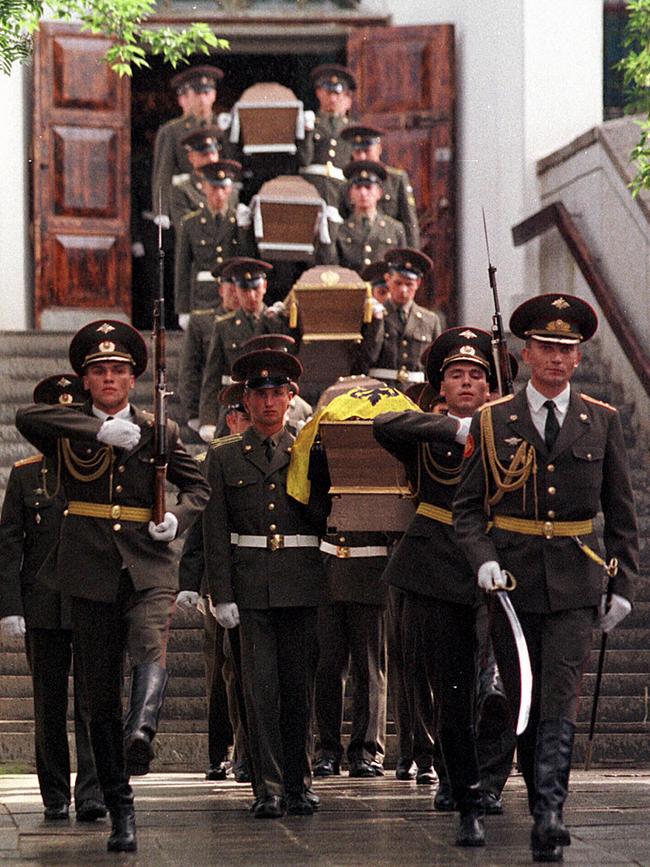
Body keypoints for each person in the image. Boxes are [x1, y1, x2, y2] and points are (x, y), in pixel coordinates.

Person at [453, 294, 639, 862]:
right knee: (523, 699)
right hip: (511, 584)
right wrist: (481, 556)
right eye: (547, 347)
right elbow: (466, 509)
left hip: (577, 584)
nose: (557, 358)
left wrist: (624, 586)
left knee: (560, 693)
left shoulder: (600, 422)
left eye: (568, 349)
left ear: (579, 358)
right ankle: (541, 803)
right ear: (525, 353)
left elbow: (622, 515)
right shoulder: (493, 420)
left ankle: (551, 811)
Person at [15, 321, 210, 853]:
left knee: (151, 644)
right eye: (99, 371)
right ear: (85, 378)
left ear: (133, 378)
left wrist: (179, 520)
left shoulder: (159, 429)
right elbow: (25, 414)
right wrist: (94, 431)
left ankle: (143, 730)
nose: (109, 379)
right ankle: (120, 809)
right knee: (98, 696)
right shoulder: (67, 425)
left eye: (119, 371)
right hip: (88, 567)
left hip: (148, 566)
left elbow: (198, 487)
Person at [373, 326, 509, 847]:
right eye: (457, 375)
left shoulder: (509, 429)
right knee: (449, 687)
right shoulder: (430, 431)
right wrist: (450, 428)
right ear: (442, 386)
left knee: (496, 685)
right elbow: (385, 424)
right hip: (436, 565)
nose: (469, 382)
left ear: (491, 385)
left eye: (478, 375)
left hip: (497, 563)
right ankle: (456, 779)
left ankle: (490, 783)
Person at [203, 348, 329, 818]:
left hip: (300, 583)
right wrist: (223, 594)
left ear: (292, 397)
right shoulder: (223, 457)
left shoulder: (310, 449)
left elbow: (324, 518)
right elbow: (214, 532)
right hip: (251, 586)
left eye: (278, 393)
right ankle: (268, 787)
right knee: (259, 690)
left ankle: (299, 783)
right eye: (260, 395)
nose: (269, 403)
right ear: (246, 400)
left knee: (299, 689)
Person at [0, 374, 105, 824]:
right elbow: (9, 544)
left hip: (92, 598)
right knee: (48, 704)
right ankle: (55, 795)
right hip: (42, 604)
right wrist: (10, 606)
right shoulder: (25, 475)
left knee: (94, 702)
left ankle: (93, 792)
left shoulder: (101, 466)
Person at [312, 377, 389, 780]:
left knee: (369, 666)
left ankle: (367, 749)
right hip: (329, 567)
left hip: (371, 567)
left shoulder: (385, 456)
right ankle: (327, 747)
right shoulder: (318, 455)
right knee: (327, 666)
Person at [177, 382, 252, 784]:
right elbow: (200, 529)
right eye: (239, 414)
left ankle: (244, 751)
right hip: (216, 580)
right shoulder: (214, 459)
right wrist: (189, 580)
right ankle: (218, 750)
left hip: (253, 574)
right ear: (232, 419)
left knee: (240, 670)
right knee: (218, 669)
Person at [197, 258, 298, 442]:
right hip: (236, 404)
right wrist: (207, 419)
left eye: (256, 289)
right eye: (245, 290)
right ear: (235, 290)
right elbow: (211, 376)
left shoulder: (279, 322)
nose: (251, 296)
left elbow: (293, 366)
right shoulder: (224, 326)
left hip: (273, 405)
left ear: (265, 286)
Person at [354, 248, 442, 390]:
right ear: (388, 280)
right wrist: (377, 322)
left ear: (418, 284)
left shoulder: (430, 320)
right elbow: (366, 359)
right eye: (398, 283)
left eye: (409, 284)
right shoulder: (374, 315)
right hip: (381, 390)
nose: (403, 290)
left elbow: (435, 365)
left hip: (416, 392)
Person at [151, 65, 225, 225]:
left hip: (219, 200)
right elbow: (164, 172)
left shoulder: (223, 127)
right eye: (197, 93)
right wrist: (162, 211)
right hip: (185, 201)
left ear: (214, 95)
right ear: (186, 97)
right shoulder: (172, 131)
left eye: (207, 93)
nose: (202, 99)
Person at [317, 161, 406, 272]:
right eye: (358, 188)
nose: (363, 193)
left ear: (379, 193)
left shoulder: (395, 229)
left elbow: (400, 269)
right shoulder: (341, 230)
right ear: (350, 194)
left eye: (368, 187)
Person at [339, 125, 420, 248]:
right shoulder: (347, 182)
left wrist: (412, 255)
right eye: (357, 152)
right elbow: (344, 216)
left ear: (379, 149)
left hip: (388, 244)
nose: (362, 157)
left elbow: (409, 222)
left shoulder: (395, 179)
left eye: (367, 151)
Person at [298, 64, 356, 206]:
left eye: (337, 94)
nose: (333, 98)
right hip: (311, 186)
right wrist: (307, 130)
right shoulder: (311, 122)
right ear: (319, 92)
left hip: (340, 190)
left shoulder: (352, 127)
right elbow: (304, 160)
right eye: (328, 92)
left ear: (345, 96)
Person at [168, 126, 222, 230]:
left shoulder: (229, 189)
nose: (211, 159)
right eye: (204, 155)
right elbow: (185, 229)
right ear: (191, 157)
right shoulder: (182, 190)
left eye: (214, 153)